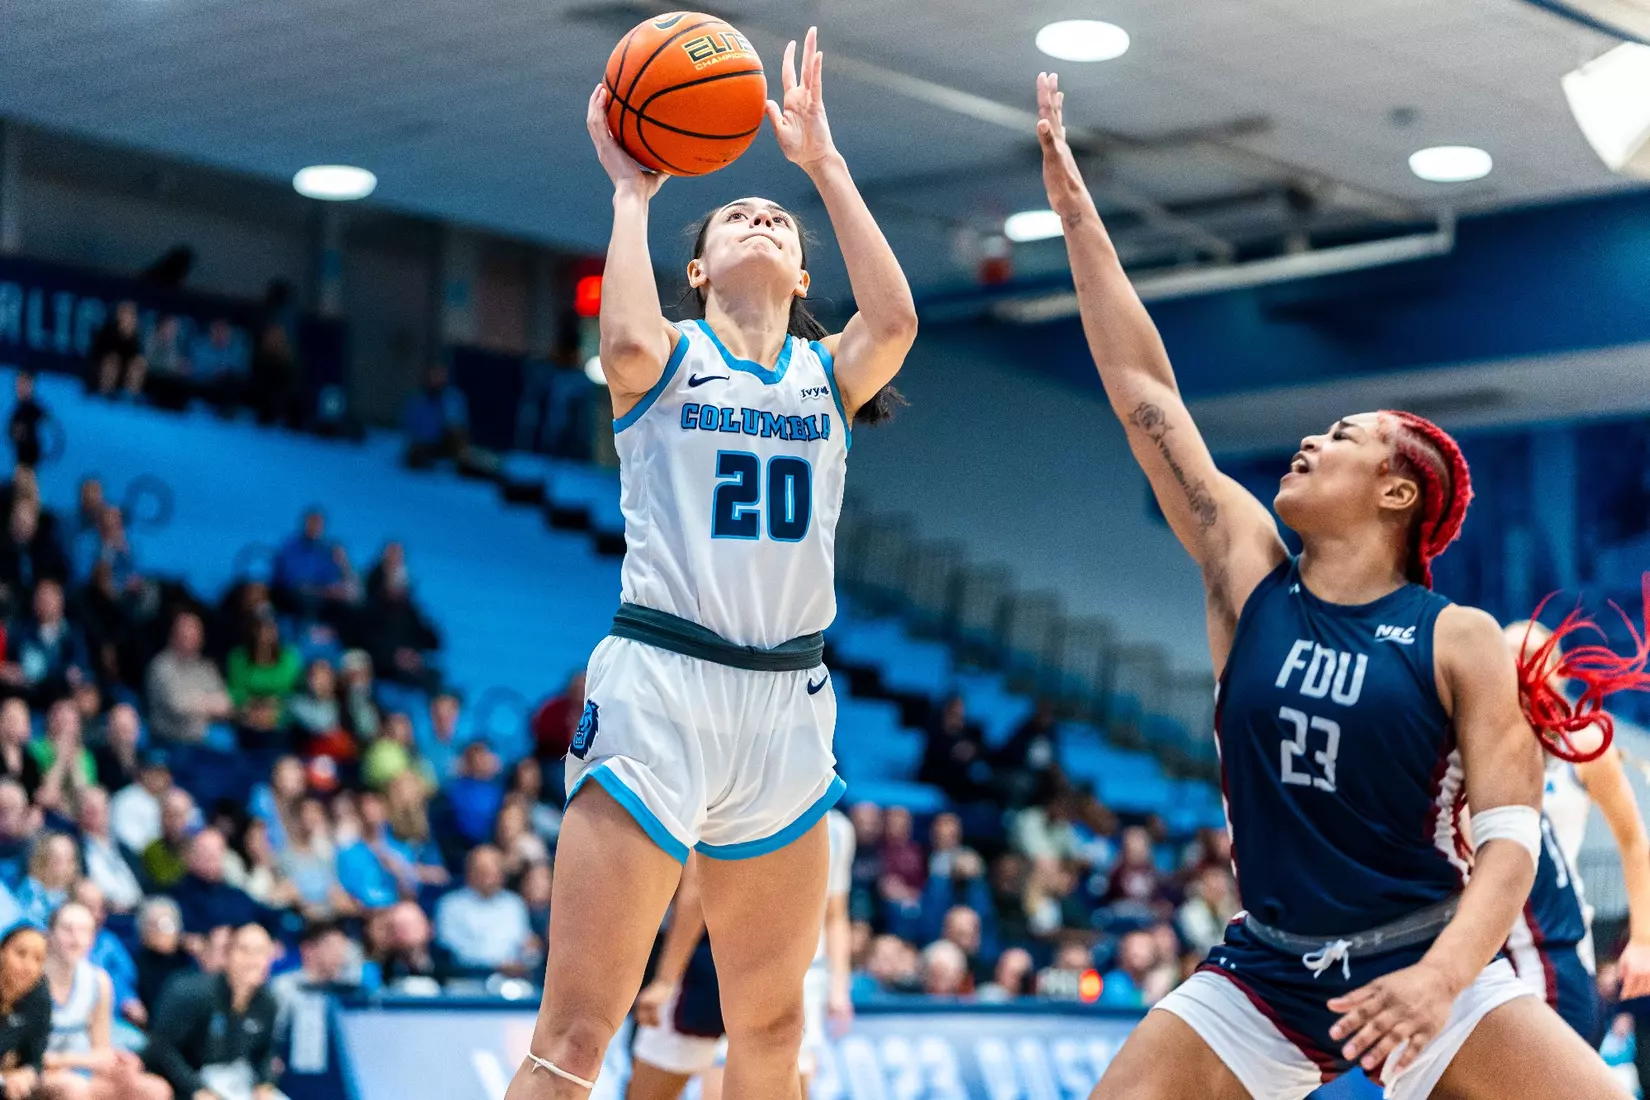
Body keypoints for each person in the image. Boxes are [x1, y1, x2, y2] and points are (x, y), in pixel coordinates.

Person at [1035, 71, 1634, 1100]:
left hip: (1424, 949)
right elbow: (1143, 394)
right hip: (1268, 964)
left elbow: (1510, 848)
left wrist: (1441, 980)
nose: (1312, 440)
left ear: (1397, 490)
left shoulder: (1457, 637)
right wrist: (1078, 218)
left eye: (1344, 436)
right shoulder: (1249, 574)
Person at [509, 33, 915, 1099]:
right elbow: (622, 342)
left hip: (787, 700)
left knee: (771, 1027)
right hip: (662, 684)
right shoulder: (671, 354)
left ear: (804, 272)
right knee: (576, 1030)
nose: (763, 219)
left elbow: (896, 319)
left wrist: (823, 163)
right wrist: (632, 193)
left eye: (779, 219)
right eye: (737, 215)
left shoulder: (826, 375)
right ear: (695, 271)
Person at [1501, 619, 1650, 1047]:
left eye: (1533, 656)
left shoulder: (1583, 744)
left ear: (1559, 668)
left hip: (1556, 938)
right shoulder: (1473, 743)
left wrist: (1643, 940)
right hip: (1483, 941)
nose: (1522, 667)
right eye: (1510, 656)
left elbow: (1634, 841)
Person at [39, 902, 172, 1100]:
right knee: (74, 1088)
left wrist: (118, 1060)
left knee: (154, 1089)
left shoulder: (98, 981)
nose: (76, 939)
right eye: (67, 929)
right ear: (49, 934)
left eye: (83, 931)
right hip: (40, 1071)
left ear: (92, 939)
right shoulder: (32, 978)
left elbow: (101, 1048)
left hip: (82, 1073)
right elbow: (25, 1054)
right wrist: (80, 1061)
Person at [143, 922, 281, 1100]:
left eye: (261, 952)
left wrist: (265, 1083)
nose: (253, 960)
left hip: (233, 1080)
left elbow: (265, 1052)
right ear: (227, 955)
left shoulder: (268, 1003)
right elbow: (161, 1047)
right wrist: (196, 1089)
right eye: (244, 950)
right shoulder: (193, 993)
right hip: (182, 1082)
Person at [434, 845, 537, 978]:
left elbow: (525, 943)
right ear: (469, 872)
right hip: (466, 978)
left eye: (494, 871)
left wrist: (530, 952)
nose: (489, 878)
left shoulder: (514, 904)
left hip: (511, 978)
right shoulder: (450, 905)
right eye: (483, 871)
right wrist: (495, 965)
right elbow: (450, 950)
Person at [145, 611, 233, 746]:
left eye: (195, 633)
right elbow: (178, 706)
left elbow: (226, 704)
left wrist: (196, 701)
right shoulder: (161, 666)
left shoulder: (206, 667)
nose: (191, 637)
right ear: (173, 635)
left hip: (204, 737)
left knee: (227, 738)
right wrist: (209, 702)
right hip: (169, 739)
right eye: (185, 633)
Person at [7, 580, 90, 709]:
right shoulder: (20, 632)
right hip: (27, 696)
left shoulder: (73, 634)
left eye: (50, 597)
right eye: (41, 597)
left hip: (63, 696)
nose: (46, 602)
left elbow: (79, 668)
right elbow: (10, 665)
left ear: (61, 601)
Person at [0, 924, 52, 1099]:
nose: (28, 966)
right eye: (20, 954)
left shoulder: (39, 996)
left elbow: (34, 1059)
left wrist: (25, 1075)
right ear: (2, 953)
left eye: (38, 959)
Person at [77, 787, 143, 914]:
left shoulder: (124, 848)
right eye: (89, 809)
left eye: (100, 808)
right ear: (79, 811)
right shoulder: (75, 848)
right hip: (103, 913)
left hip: (137, 912)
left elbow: (144, 884)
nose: (95, 812)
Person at [401, 364, 470, 468]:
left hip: (445, 443)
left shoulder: (452, 399)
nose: (437, 380)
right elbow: (409, 427)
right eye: (434, 376)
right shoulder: (416, 400)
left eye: (440, 377)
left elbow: (457, 425)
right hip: (422, 444)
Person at [132, 896, 190, 1015]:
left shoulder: (189, 960)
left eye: (166, 924)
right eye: (153, 924)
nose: (160, 931)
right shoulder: (134, 965)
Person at [109, 750, 170, 855]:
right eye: (152, 771)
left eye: (162, 772)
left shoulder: (174, 798)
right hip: (136, 858)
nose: (158, 777)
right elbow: (127, 841)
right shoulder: (125, 799)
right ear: (142, 773)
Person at [86, 302, 145, 398]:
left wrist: (128, 337)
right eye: (126, 313)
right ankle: (105, 394)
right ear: (119, 314)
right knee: (112, 362)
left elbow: (135, 356)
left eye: (132, 314)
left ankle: (130, 397)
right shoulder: (107, 330)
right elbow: (99, 354)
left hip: (123, 372)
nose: (129, 318)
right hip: (102, 370)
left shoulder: (135, 336)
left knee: (139, 363)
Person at [7, 371, 46, 470]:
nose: (20, 388)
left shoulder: (34, 411)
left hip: (28, 461)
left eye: (25, 384)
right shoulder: (18, 411)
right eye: (19, 383)